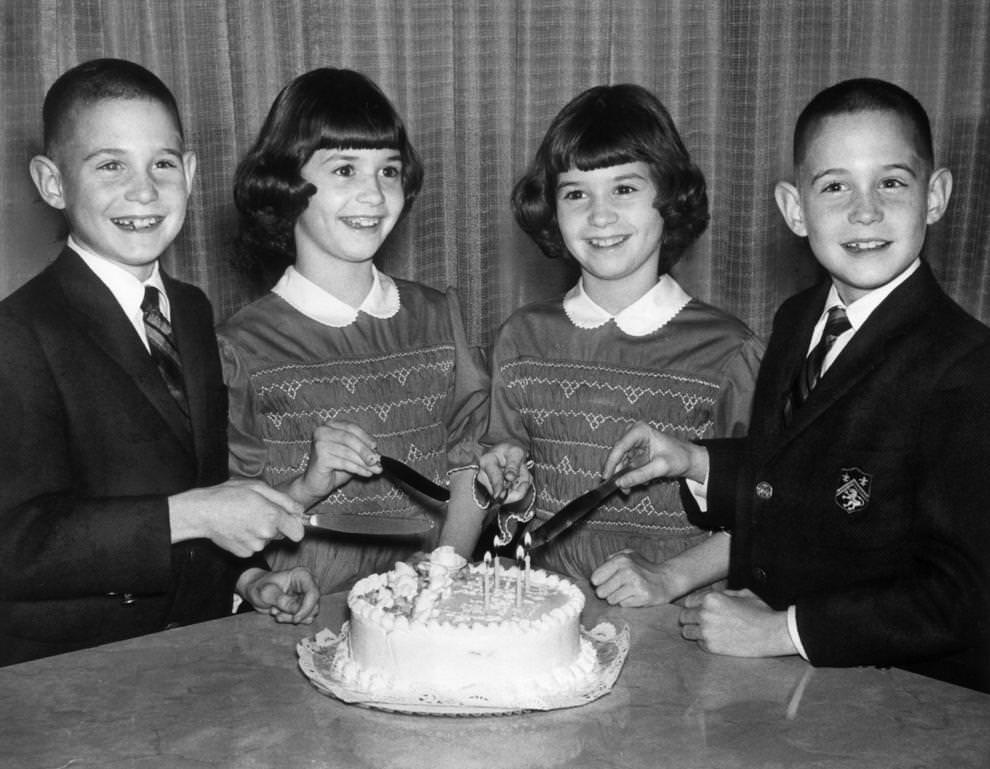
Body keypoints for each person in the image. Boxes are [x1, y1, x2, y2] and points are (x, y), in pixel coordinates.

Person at [603, 78, 990, 692]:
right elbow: (797, 477)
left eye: (891, 182)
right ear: (794, 209)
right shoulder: (798, 318)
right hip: (782, 685)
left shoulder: (966, 367)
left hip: (907, 696)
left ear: (935, 195)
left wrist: (784, 631)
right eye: (835, 186)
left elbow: (966, 597)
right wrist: (694, 461)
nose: (865, 211)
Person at [0, 59, 320, 666]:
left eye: (163, 164)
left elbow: (198, 483)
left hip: (194, 653)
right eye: (110, 164)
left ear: (191, 172)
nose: (143, 191)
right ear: (52, 182)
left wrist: (246, 580)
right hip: (74, 672)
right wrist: (194, 514)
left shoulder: (191, 311)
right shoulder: (17, 333)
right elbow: (15, 543)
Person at [477, 84, 763, 599]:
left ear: (669, 195)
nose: (599, 215)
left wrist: (672, 577)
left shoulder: (730, 352)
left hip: (675, 627)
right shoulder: (521, 339)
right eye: (575, 193)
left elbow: (770, 509)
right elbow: (513, 504)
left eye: (624, 189)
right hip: (546, 620)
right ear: (551, 208)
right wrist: (509, 491)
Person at [218, 68, 490, 593]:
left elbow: (468, 461)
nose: (374, 194)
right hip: (306, 605)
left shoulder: (437, 315)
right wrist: (307, 485)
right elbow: (233, 517)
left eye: (388, 171)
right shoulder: (240, 346)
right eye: (345, 170)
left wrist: (443, 576)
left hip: (433, 600)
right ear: (286, 183)